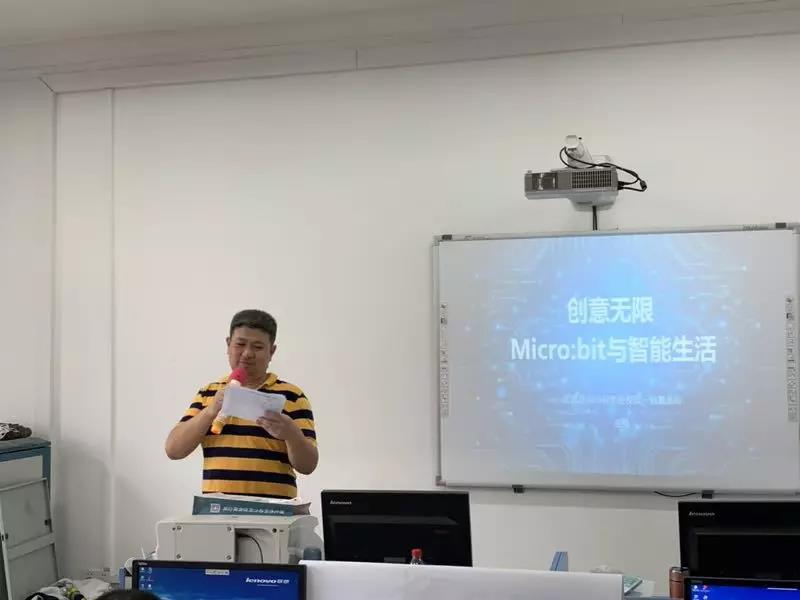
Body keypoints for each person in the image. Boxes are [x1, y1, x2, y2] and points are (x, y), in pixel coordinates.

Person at [165, 309, 318, 498]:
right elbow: (173, 450)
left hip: (274, 511)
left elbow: (308, 466)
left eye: (258, 347)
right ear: (228, 345)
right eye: (240, 344)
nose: (247, 353)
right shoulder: (208, 393)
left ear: (271, 352)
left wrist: (292, 434)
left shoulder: (292, 396)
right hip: (218, 511)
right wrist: (211, 411)